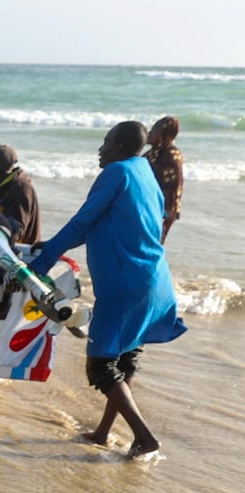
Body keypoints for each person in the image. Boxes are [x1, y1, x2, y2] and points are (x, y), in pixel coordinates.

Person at [27, 121, 186, 459]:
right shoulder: (145, 172)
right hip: (155, 280)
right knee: (127, 357)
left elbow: (83, 220)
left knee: (100, 365)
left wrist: (41, 264)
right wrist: (52, 246)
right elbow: (107, 222)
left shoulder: (115, 172)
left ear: (119, 147)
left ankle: (144, 436)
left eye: (106, 142)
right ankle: (102, 433)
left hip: (126, 284)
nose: (100, 149)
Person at [145, 116, 183, 243]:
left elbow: (174, 186)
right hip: (150, 206)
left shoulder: (171, 154)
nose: (150, 133)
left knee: (153, 243)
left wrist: (166, 214)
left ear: (163, 133)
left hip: (163, 210)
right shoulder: (153, 153)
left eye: (154, 130)